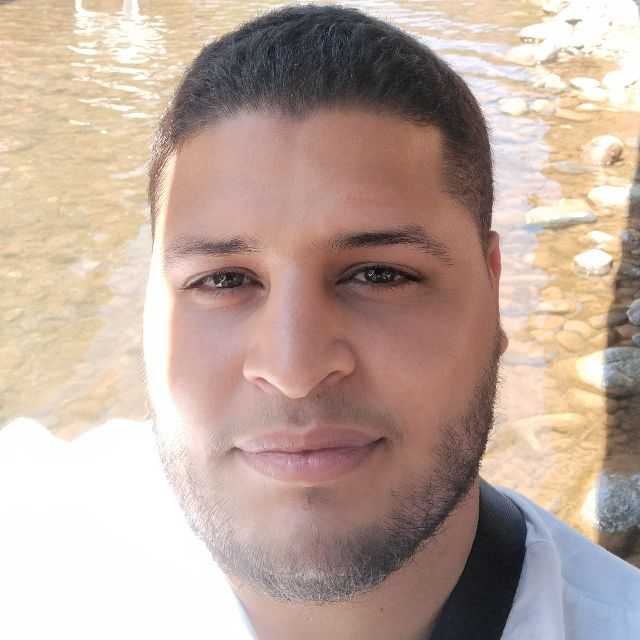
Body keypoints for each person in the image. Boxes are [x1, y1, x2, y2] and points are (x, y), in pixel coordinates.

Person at [1, 4, 638, 640]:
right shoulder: (33, 541)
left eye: (380, 274)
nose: (293, 370)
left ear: (494, 292)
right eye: (222, 280)